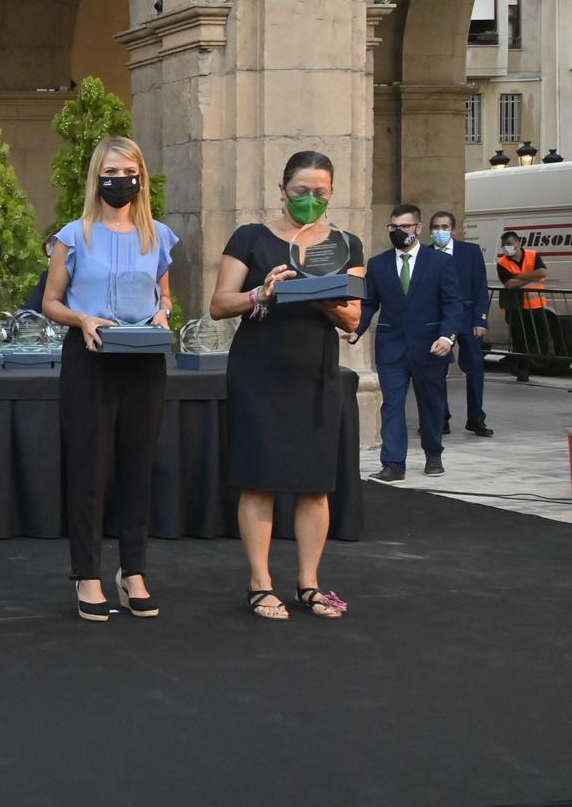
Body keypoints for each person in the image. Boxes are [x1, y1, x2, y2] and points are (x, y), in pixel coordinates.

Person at [209, 150, 364, 621]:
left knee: (316, 483)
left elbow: (353, 316)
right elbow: (219, 304)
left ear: (332, 193)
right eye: (301, 192)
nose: (310, 200)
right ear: (282, 190)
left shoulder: (345, 243)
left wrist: (319, 296)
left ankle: (309, 584)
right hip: (260, 369)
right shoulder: (251, 238)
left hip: (315, 370)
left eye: (320, 193)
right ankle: (260, 583)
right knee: (260, 479)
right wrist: (264, 292)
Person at [41, 137, 177, 621]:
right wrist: (83, 320)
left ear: (140, 176)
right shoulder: (74, 235)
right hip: (91, 355)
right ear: (97, 176)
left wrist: (163, 313)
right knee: (90, 468)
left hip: (143, 358)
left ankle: (133, 571)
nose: (121, 179)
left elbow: (164, 296)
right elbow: (51, 301)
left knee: (138, 465)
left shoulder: (157, 235)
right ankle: (88, 574)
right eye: (112, 171)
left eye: (129, 170)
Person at [356, 204, 464, 482]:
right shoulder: (378, 265)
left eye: (404, 226)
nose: (398, 231)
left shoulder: (439, 262)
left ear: (417, 228)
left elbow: (453, 304)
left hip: (431, 346)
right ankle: (393, 464)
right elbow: (368, 304)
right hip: (392, 346)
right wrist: (355, 329)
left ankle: (433, 453)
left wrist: (446, 336)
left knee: (431, 403)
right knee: (391, 404)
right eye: (393, 227)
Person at [428, 210, 492, 437]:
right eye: (436, 227)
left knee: (475, 368)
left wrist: (480, 319)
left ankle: (476, 418)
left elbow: (481, 288)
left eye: (445, 227)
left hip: (467, 318)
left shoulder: (470, 252)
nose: (440, 231)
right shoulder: (425, 254)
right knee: (437, 370)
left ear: (454, 230)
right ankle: (440, 418)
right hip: (438, 320)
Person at [497, 230, 549, 383]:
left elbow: (543, 271)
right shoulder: (502, 263)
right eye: (504, 245)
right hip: (514, 307)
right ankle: (523, 372)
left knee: (540, 337)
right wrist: (532, 276)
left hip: (536, 305)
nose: (507, 248)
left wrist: (519, 276)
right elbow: (509, 284)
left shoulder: (533, 255)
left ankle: (510, 361)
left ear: (518, 243)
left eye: (510, 244)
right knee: (519, 340)